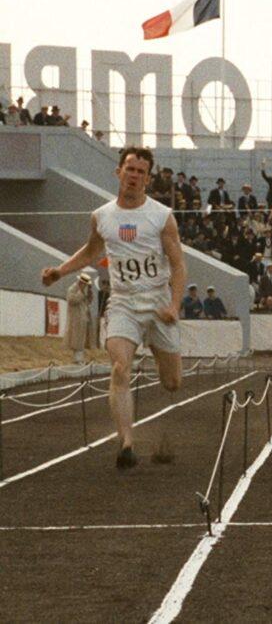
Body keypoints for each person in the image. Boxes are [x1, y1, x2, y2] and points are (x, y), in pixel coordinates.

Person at [41, 146, 186, 470]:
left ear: (147, 179)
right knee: (120, 367)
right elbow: (92, 251)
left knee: (172, 382)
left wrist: (175, 305)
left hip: (158, 302)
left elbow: (178, 265)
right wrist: (60, 271)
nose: (134, 176)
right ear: (118, 172)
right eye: (129, 169)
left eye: (140, 172)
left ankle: (160, 353)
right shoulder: (102, 216)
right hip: (122, 302)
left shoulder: (162, 217)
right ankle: (126, 443)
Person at [66, 273, 97, 364]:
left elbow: (88, 302)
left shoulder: (84, 291)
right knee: (76, 339)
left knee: (82, 339)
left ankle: (80, 358)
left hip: (83, 317)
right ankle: (77, 359)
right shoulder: (73, 289)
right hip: (76, 318)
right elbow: (72, 300)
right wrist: (81, 293)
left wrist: (90, 292)